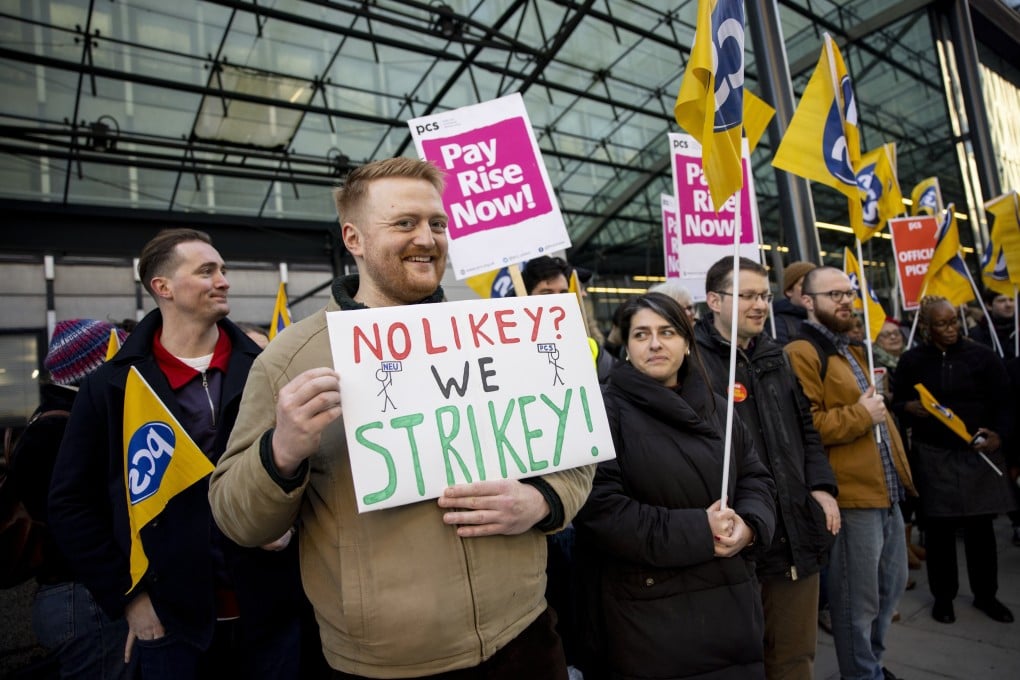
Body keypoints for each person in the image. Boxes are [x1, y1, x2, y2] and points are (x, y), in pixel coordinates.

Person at [208, 157, 595, 678]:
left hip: (523, 634)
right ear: (354, 238)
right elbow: (236, 516)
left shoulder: (504, 334)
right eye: (404, 223)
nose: (428, 238)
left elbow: (577, 452)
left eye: (437, 223)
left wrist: (542, 500)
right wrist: (280, 452)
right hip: (386, 665)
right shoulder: (289, 358)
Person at [47, 228, 264, 679]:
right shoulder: (111, 387)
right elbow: (71, 505)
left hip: (271, 616)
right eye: (207, 271)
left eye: (223, 269)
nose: (224, 280)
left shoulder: (268, 367)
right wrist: (129, 599)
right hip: (171, 626)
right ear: (162, 288)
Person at [572, 292, 776, 679]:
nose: (654, 343)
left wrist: (749, 525)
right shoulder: (602, 411)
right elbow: (601, 511)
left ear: (686, 342)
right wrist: (701, 529)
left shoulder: (718, 407)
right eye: (641, 334)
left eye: (667, 332)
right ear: (627, 347)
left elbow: (755, 476)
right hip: (649, 616)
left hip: (732, 604)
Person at [696, 257, 839, 680]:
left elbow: (806, 431)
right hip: (736, 541)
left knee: (795, 659)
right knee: (738, 660)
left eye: (764, 295)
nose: (760, 305)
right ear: (714, 301)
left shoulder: (778, 356)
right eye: (747, 296)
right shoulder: (693, 365)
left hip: (795, 534)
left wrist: (821, 486)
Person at [785, 266, 915, 680]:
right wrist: (862, 414)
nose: (845, 301)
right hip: (851, 495)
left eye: (849, 293)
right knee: (855, 602)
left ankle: (871, 665)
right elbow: (807, 426)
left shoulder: (851, 346)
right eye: (834, 294)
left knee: (887, 591)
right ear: (807, 300)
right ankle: (861, 674)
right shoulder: (803, 351)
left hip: (885, 491)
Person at [8, 319, 134, 679]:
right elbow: (77, 521)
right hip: (84, 598)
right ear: (93, 371)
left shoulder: (47, 423)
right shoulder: (58, 432)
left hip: (80, 595)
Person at [892, 296, 1016, 625]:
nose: (951, 329)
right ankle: (943, 598)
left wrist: (999, 435)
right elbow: (897, 400)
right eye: (942, 324)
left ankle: (986, 595)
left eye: (954, 322)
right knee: (939, 531)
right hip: (933, 455)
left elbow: (1006, 402)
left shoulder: (983, 357)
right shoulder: (912, 360)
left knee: (980, 531)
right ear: (927, 328)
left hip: (976, 453)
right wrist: (908, 408)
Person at [773, 261, 817, 345]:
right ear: (789, 291)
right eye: (804, 285)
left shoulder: (828, 318)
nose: (812, 289)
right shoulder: (777, 325)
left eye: (816, 284)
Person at [970, 288, 1016, 359]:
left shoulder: (1017, 331)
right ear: (989, 305)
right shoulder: (977, 334)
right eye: (1002, 301)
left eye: (1011, 300)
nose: (1008, 304)